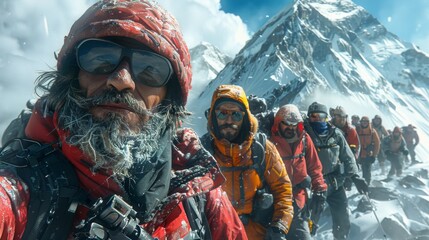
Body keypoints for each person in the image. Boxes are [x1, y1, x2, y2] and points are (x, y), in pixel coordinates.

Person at [0, 1, 247, 239]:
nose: (121, 80)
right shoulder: (19, 190)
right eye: (100, 59)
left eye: (150, 70)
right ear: (72, 77)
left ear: (167, 99)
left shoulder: (198, 193)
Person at [201, 84, 294, 240]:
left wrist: (279, 227)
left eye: (236, 115)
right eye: (222, 114)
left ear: (245, 117)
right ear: (212, 116)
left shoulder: (262, 149)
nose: (229, 120)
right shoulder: (202, 153)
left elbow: (283, 190)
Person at [304, 102, 367, 240]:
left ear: (326, 117)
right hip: (314, 185)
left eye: (320, 116)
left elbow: (347, 156)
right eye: (313, 116)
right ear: (308, 117)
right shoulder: (304, 135)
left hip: (335, 182)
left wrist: (356, 177)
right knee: (310, 221)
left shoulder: (335, 133)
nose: (317, 119)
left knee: (342, 219)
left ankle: (341, 236)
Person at [270, 104, 327, 239]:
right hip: (274, 204)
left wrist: (319, 189)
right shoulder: (269, 141)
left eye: (295, 124)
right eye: (287, 123)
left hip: (298, 202)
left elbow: (315, 167)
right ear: (278, 122)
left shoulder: (304, 139)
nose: (291, 127)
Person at [356, 116, 380, 185]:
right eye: (363, 122)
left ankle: (366, 184)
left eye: (366, 122)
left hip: (368, 154)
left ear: (368, 122)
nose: (364, 123)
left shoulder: (372, 131)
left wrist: (374, 155)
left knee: (366, 170)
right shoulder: (357, 130)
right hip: (358, 153)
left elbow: (377, 144)